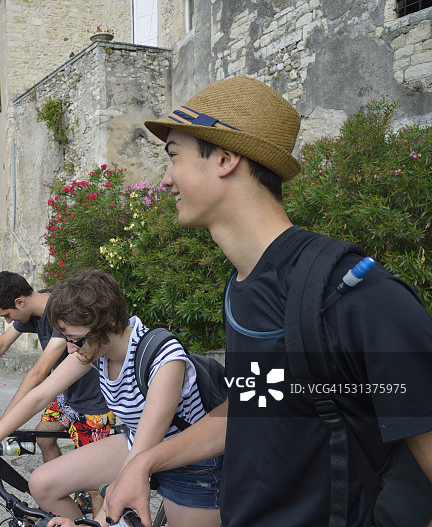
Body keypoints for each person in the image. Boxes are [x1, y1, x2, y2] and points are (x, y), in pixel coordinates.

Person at [102, 76, 432, 527]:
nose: (165, 181)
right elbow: (253, 401)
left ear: (224, 158)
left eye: (173, 157)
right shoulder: (242, 286)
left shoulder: (353, 293)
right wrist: (144, 462)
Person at [0, 269, 222, 527]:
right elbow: (39, 396)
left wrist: (96, 523)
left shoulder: (164, 359)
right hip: (138, 444)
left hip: (192, 463)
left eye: (76, 340)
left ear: (107, 324)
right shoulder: (95, 348)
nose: (71, 348)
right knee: (41, 483)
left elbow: (139, 459)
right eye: (66, 339)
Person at [0, 271, 114, 510]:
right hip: (66, 393)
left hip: (92, 402)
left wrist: (3, 422)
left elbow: (38, 373)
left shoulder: (61, 311)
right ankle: (64, 502)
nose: (7, 321)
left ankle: (93, 509)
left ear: (19, 301)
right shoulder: (34, 310)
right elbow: (2, 343)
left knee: (95, 484)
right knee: (43, 438)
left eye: (7, 315)